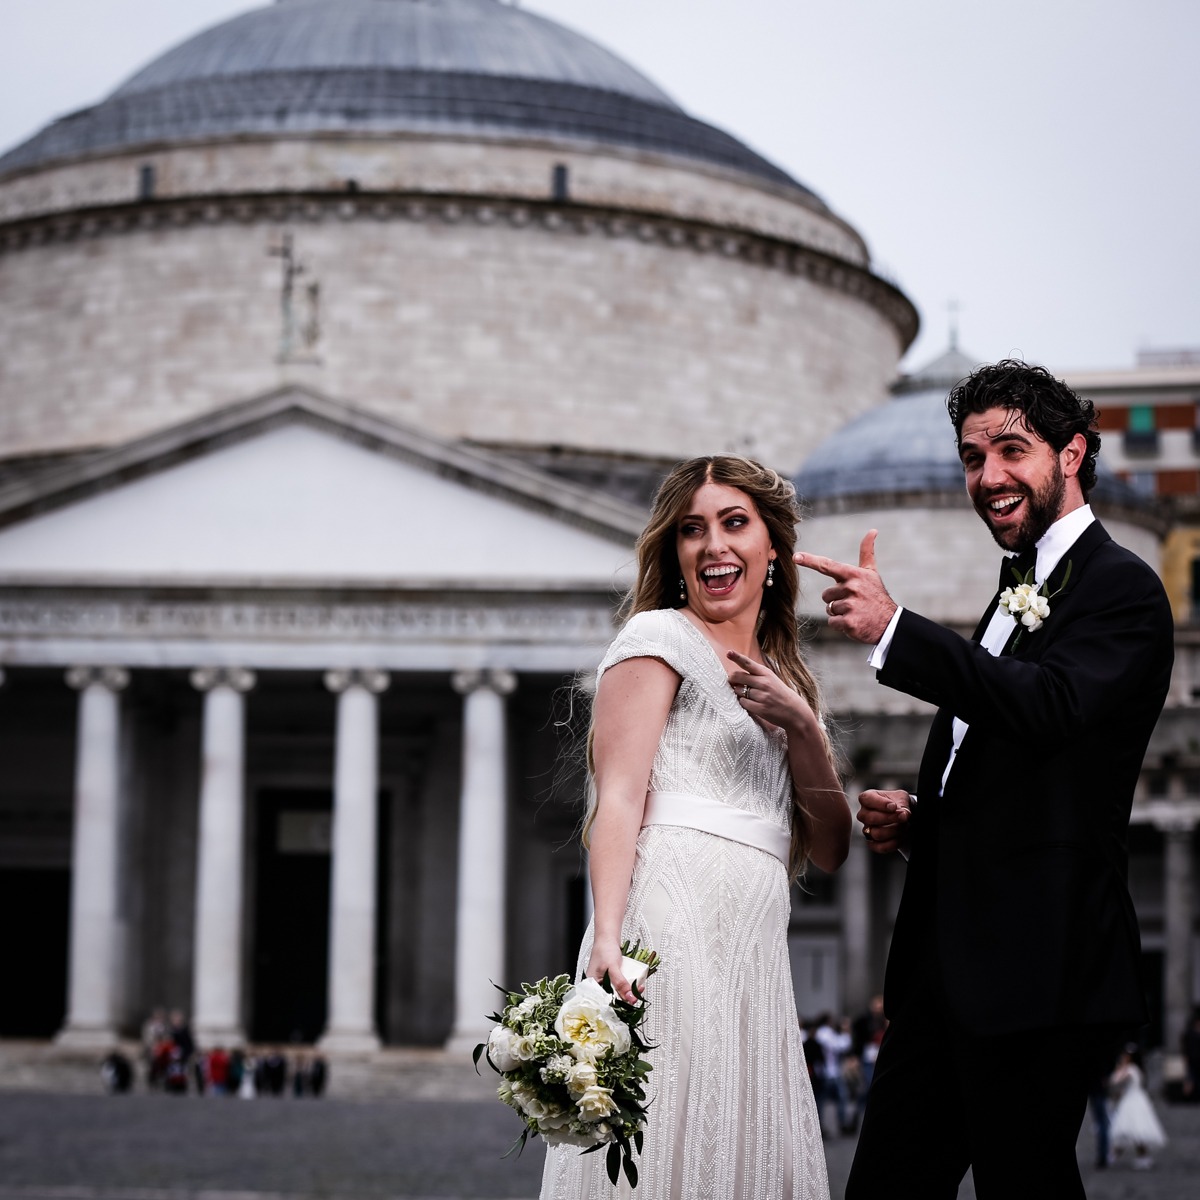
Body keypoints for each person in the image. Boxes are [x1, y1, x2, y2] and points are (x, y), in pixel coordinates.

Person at [796, 360, 1173, 1199]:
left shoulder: (1123, 589)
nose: (989, 477)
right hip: (945, 972)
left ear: (1070, 454)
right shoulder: (1015, 590)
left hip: (1040, 969)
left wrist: (896, 629)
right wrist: (925, 818)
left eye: (1012, 450)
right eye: (972, 457)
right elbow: (1024, 777)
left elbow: (1051, 707)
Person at [540, 455, 851, 1200]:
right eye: (692, 529)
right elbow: (617, 797)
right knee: (670, 1139)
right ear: (674, 552)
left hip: (754, 955)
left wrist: (804, 729)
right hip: (668, 930)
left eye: (735, 523)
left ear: (771, 545)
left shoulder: (788, 677)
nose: (713, 545)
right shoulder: (658, 638)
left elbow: (832, 849)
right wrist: (607, 936)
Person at [1108, 1045, 1167, 1169]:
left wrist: (1120, 1067)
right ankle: (1141, 1156)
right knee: (1135, 1131)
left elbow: (1114, 1080)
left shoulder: (1130, 1069)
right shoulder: (1138, 1069)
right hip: (1138, 1099)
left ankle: (1116, 1155)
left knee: (1129, 1129)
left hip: (1131, 1101)